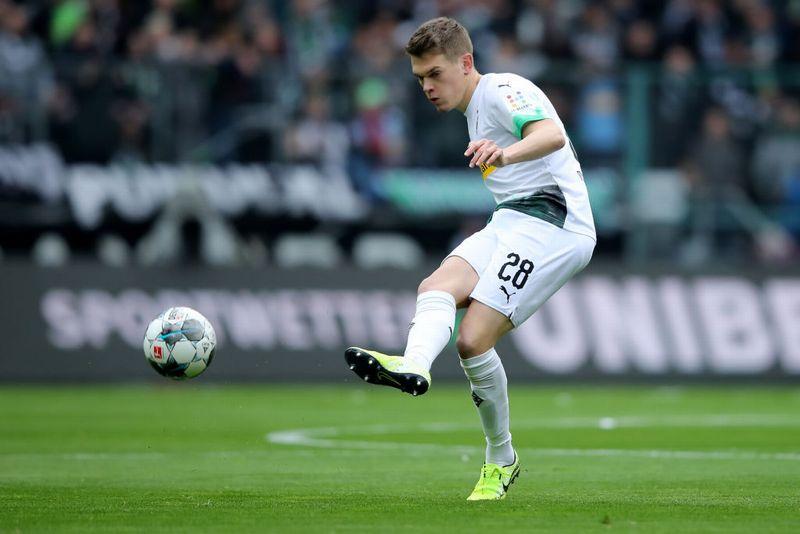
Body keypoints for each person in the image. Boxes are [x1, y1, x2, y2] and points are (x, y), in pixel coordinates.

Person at [344, 17, 596, 501]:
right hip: (513, 219)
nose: (427, 87)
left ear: (465, 62)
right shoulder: (474, 109)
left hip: (556, 223)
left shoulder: (502, 89)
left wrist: (504, 154)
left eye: (435, 74)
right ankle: (414, 365)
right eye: (420, 78)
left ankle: (501, 459)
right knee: (435, 287)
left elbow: (552, 135)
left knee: (473, 339)